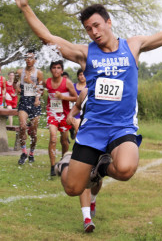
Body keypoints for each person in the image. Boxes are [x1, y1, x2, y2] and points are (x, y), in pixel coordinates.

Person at [9, 0, 162, 196]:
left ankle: (101, 168)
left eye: (97, 25)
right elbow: (48, 38)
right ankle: (64, 163)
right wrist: (25, 7)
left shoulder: (133, 46)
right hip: (93, 128)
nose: (94, 32)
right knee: (73, 188)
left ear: (109, 22)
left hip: (121, 126)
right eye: (88, 29)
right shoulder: (85, 53)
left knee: (125, 169)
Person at [65, 87, 102, 233]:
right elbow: (77, 105)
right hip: (86, 139)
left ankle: (92, 200)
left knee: (97, 178)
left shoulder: (113, 89)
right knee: (84, 177)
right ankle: (87, 219)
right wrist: (71, 114)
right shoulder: (85, 92)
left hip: (104, 139)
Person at [44, 60, 77, 176]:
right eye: (54, 67)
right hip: (52, 113)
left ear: (62, 70)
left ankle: (63, 162)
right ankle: (52, 167)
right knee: (53, 138)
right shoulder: (47, 82)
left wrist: (62, 96)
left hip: (64, 114)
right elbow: (38, 89)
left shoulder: (67, 83)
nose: (56, 70)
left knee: (64, 141)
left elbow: (76, 98)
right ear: (51, 70)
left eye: (58, 68)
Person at [14, 49, 44, 165]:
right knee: (22, 126)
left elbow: (41, 89)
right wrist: (17, 86)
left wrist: (37, 98)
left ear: (35, 60)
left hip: (34, 102)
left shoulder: (39, 73)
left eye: (31, 58)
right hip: (24, 101)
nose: (28, 60)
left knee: (34, 132)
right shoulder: (19, 71)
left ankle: (31, 153)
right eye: (26, 57)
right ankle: (23, 152)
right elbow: (15, 82)